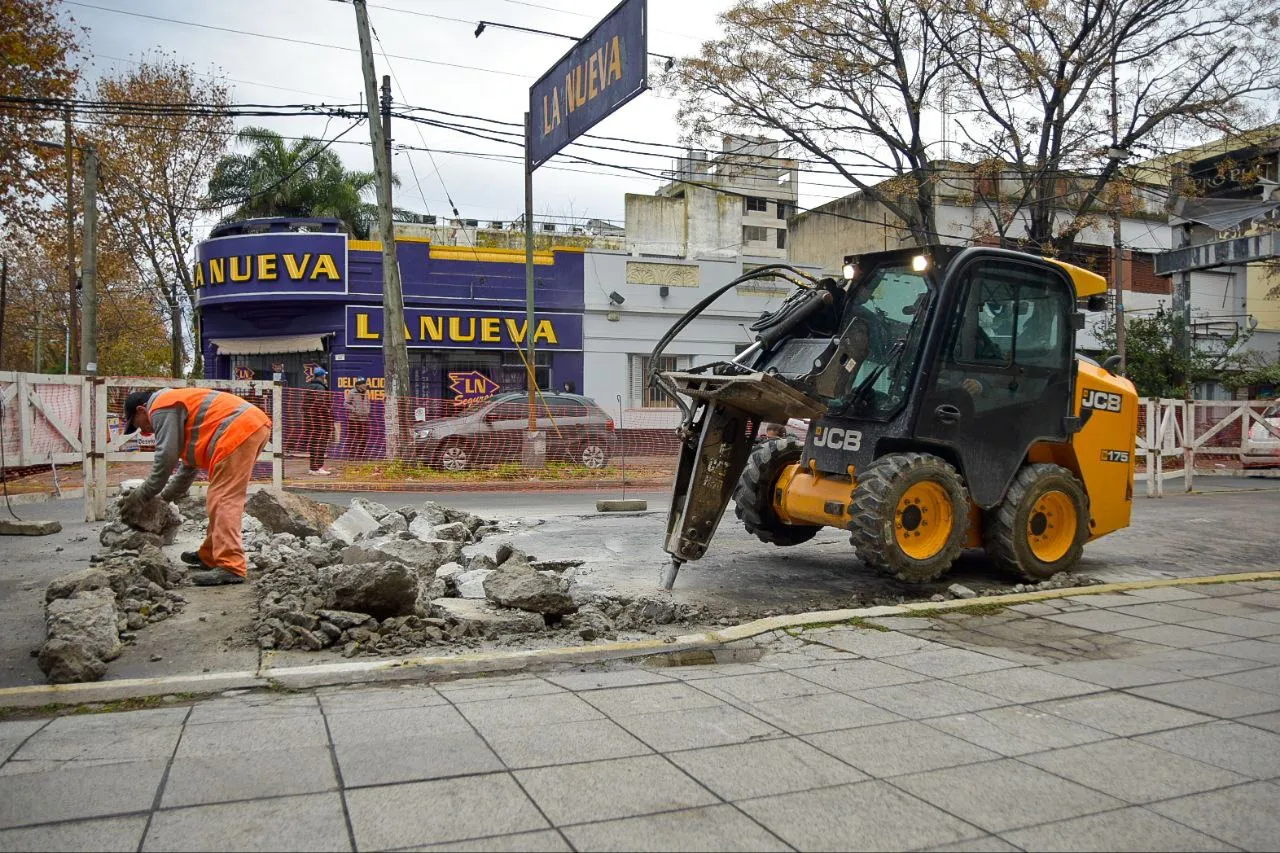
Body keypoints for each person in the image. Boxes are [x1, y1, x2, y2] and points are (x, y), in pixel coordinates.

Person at [118, 388, 271, 586]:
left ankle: (231, 565)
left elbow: (165, 459)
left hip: (237, 429)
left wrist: (142, 495)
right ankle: (210, 555)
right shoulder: (178, 411)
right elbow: (187, 469)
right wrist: (163, 499)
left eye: (138, 424)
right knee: (218, 498)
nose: (146, 431)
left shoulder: (161, 406)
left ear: (141, 409)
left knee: (223, 498)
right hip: (248, 426)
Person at [304, 367, 333, 475]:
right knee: (320, 443)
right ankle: (318, 468)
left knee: (314, 443)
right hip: (320, 420)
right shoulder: (320, 388)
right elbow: (321, 404)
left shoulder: (309, 387)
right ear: (322, 376)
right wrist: (328, 411)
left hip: (311, 420)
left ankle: (313, 468)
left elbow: (305, 405)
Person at [343, 377, 371, 459]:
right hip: (353, 419)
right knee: (353, 437)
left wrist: (368, 410)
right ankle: (351, 455)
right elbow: (346, 404)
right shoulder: (352, 392)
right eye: (364, 383)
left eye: (365, 383)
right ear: (359, 385)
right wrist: (354, 409)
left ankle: (362, 455)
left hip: (364, 419)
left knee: (363, 437)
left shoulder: (366, 393)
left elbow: (368, 403)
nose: (365, 385)